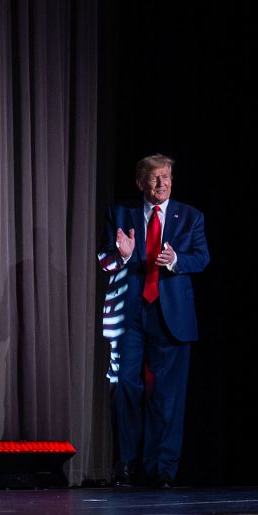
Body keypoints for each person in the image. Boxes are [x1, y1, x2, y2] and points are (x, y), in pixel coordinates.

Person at [99, 154, 209, 487]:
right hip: (131, 315)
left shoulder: (190, 217)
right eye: (154, 178)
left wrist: (176, 260)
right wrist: (124, 255)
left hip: (171, 316)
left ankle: (162, 469)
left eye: (166, 178)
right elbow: (104, 261)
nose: (161, 184)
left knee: (167, 395)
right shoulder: (121, 214)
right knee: (127, 390)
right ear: (140, 182)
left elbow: (202, 258)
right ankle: (127, 465)